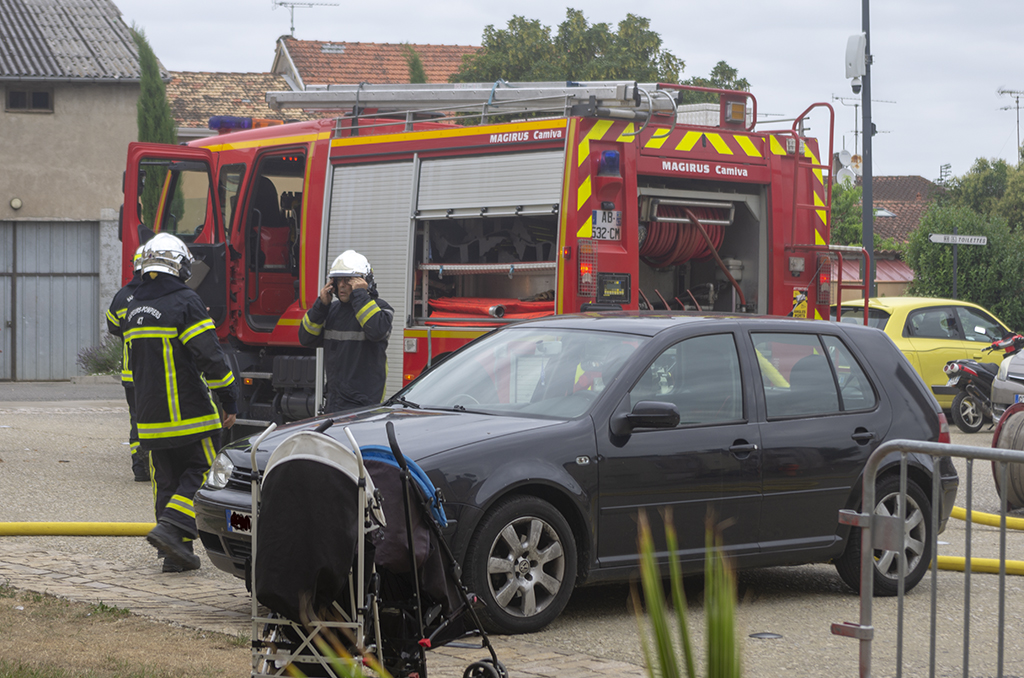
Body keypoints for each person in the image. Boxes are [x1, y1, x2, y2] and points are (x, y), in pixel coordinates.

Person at [124, 233, 238, 572]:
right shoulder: (186, 302)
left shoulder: (133, 308)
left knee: (167, 481)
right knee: (203, 472)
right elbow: (210, 357)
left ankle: (175, 556)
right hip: (188, 415)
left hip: (148, 418)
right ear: (179, 265)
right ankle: (172, 529)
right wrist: (228, 397)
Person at [299, 250, 393, 413]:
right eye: (338, 280)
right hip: (335, 401)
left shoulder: (380, 308)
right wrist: (320, 306)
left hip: (365, 404)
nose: (341, 285)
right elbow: (306, 338)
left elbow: (376, 330)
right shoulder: (330, 310)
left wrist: (360, 296)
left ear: (363, 282)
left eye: (348, 280)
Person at [105, 246, 148, 482]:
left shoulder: (122, 296)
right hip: (154, 373)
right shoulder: (158, 295)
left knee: (137, 419)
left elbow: (113, 326)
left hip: (131, 374)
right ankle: (159, 466)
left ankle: (140, 468)